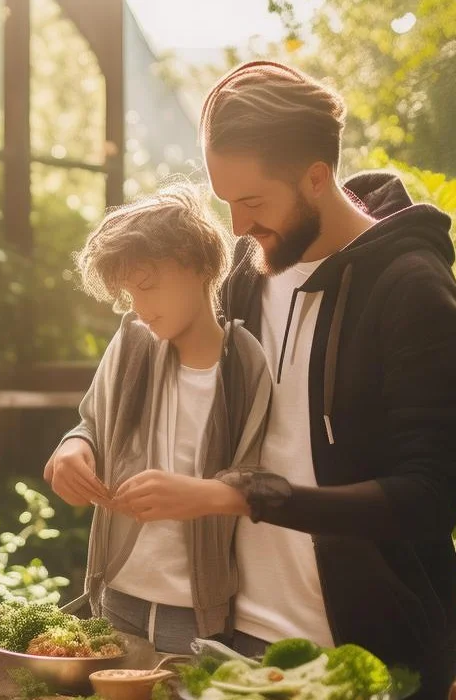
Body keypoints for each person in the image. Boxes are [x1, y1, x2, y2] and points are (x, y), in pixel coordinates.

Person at [113, 61, 456, 698]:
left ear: (316, 178)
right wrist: (83, 438)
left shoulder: (412, 288)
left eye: (253, 202)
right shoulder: (250, 271)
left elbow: (432, 497)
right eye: (227, 203)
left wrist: (247, 496)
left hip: (370, 655)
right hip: (240, 643)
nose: (238, 227)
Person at [44, 181, 271, 653]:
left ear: (201, 266)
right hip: (115, 593)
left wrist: (197, 495)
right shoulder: (130, 342)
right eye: (128, 295)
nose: (140, 308)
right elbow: (90, 424)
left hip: (194, 609)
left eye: (148, 287)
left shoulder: (246, 363)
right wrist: (73, 449)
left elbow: (257, 481)